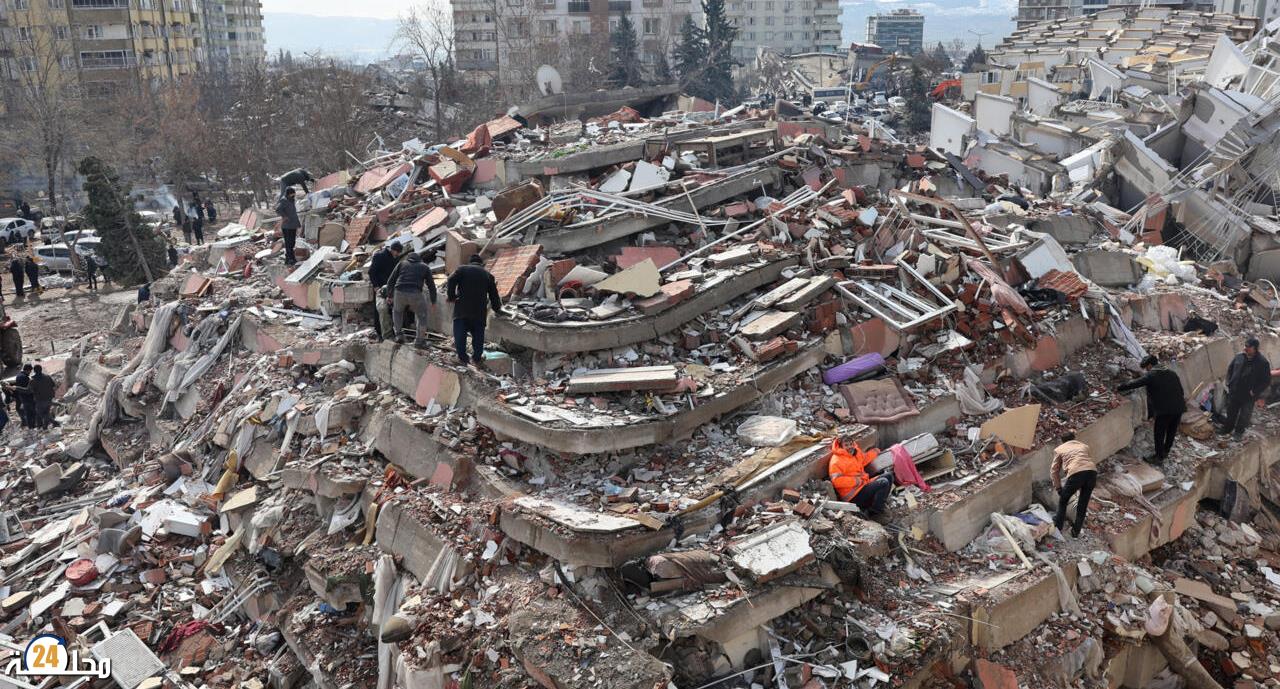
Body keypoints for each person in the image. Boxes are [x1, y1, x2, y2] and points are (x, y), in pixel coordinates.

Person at [1116, 354, 1186, 465]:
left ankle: (1158, 457)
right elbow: (1181, 391)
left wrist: (1119, 387)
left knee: (1159, 432)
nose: (1146, 370)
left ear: (1150, 365)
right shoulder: (1172, 373)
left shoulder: (1152, 375)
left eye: (1146, 368)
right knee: (1171, 431)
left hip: (1164, 410)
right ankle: (1165, 451)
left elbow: (1136, 383)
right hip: (1179, 408)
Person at [445, 255, 502, 368]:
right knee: (478, 336)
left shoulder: (462, 269)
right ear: (481, 264)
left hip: (462, 309)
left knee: (460, 335)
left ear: (470, 262)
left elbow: (451, 279)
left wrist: (451, 296)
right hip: (479, 311)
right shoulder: (488, 275)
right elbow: (494, 295)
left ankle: (462, 358)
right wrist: (497, 308)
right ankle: (476, 358)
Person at [1218, 337, 1271, 440]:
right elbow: (1230, 369)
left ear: (1255, 348)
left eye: (1248, 347)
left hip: (1248, 395)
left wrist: (1254, 391)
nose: (1245, 348)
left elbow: (1266, 381)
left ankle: (1238, 432)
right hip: (1235, 390)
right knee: (1231, 411)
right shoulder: (1239, 357)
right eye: (1245, 346)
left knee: (1244, 415)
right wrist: (1229, 382)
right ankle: (1227, 428)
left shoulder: (1262, 362)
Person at [384, 249, 437, 347]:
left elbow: (390, 281)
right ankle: (419, 341)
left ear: (408, 258)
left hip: (399, 292)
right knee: (422, 316)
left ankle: (399, 335)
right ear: (419, 259)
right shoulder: (424, 267)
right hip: (415, 294)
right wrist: (433, 301)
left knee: (397, 312)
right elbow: (431, 286)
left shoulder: (402, 264)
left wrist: (389, 295)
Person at [827, 437, 891, 518]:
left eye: (851, 444)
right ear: (841, 447)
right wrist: (856, 481)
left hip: (862, 487)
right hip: (853, 495)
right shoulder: (836, 461)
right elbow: (836, 482)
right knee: (883, 482)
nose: (850, 446)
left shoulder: (854, 453)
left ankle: (876, 505)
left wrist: (875, 451)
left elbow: (864, 459)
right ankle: (875, 513)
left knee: (888, 476)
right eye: (846, 445)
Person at [1051, 433, 1097, 538]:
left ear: (1062, 441)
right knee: (1083, 504)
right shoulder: (1084, 446)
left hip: (1076, 473)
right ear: (1074, 439)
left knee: (1063, 500)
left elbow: (1054, 471)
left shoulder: (1059, 449)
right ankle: (1076, 531)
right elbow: (1087, 461)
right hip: (1092, 473)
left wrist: (1058, 488)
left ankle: (1058, 526)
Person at [367, 241, 404, 341]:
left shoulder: (395, 259)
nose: (397, 255)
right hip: (380, 287)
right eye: (397, 252)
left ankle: (390, 332)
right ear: (393, 250)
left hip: (391, 288)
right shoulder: (379, 256)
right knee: (380, 310)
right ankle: (380, 333)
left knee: (390, 309)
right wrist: (375, 286)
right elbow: (372, 272)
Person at [275, 188, 301, 266]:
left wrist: (298, 224)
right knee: (289, 243)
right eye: (292, 194)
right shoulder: (284, 200)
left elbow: (293, 213)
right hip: (287, 226)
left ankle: (288, 258)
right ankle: (291, 259)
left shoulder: (291, 200)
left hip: (293, 225)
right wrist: (284, 216)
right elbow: (278, 209)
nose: (294, 195)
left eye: (294, 194)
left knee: (292, 243)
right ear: (288, 194)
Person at [30, 364, 55, 429]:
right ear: (41, 370)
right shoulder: (48, 377)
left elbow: (30, 390)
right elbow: (53, 385)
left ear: (34, 371)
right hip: (49, 398)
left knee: (42, 414)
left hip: (40, 400)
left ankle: (54, 422)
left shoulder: (33, 380)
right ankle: (45, 427)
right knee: (46, 412)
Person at [11, 364, 32, 428]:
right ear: (27, 370)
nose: (30, 372)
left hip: (20, 395)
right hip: (25, 396)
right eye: (30, 371)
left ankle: (24, 421)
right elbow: (28, 389)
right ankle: (27, 422)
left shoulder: (18, 375)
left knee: (19, 408)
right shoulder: (25, 377)